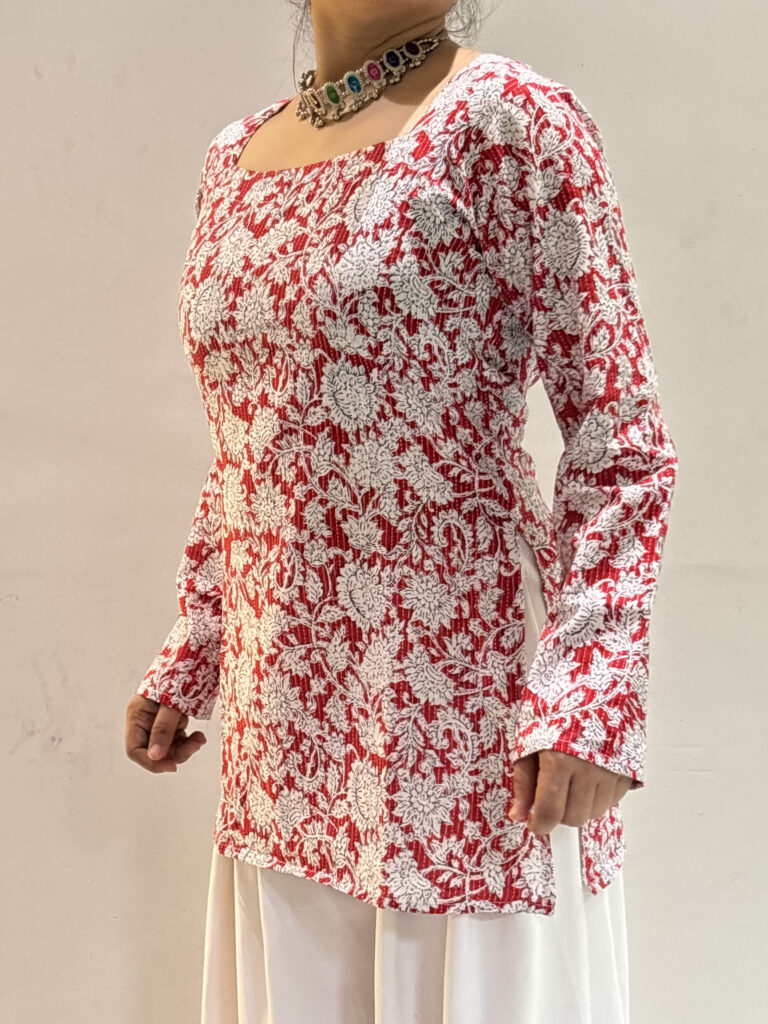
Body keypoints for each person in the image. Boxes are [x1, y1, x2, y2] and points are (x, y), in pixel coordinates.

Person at [125, 2, 679, 1021]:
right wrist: (198, 640)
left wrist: (592, 691)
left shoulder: (509, 119)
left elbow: (619, 434)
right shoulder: (233, 157)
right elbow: (249, 435)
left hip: (460, 709)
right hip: (282, 714)